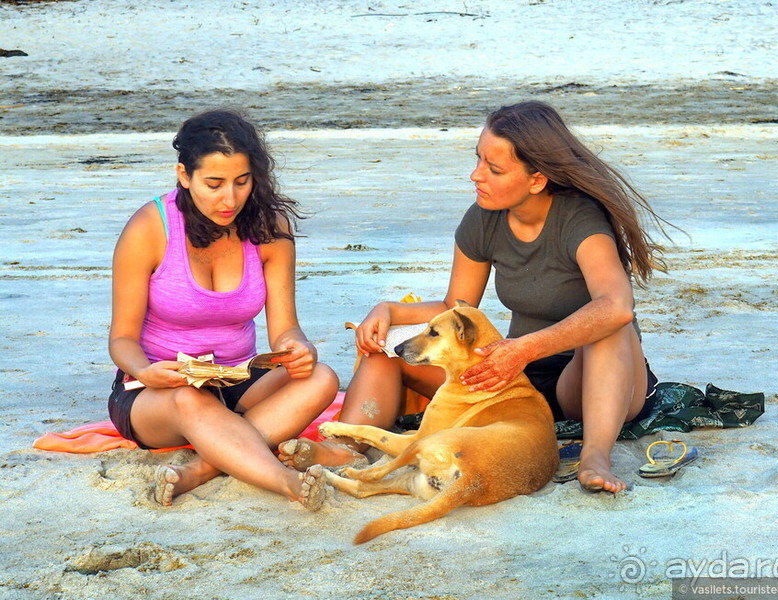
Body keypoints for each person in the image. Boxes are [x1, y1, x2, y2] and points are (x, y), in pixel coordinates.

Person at [279, 100, 668, 493]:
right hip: (518, 383)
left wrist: (526, 348)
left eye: (493, 169)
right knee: (390, 354)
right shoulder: (484, 217)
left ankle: (595, 456)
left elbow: (617, 306)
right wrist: (389, 310)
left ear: (537, 180)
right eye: (478, 160)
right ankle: (343, 446)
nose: (475, 175)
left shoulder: (580, 219)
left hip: (592, 382)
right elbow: (455, 307)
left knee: (608, 327)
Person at [107, 109, 338, 509]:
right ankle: (285, 481)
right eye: (214, 184)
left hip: (237, 381)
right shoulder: (150, 229)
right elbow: (121, 338)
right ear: (185, 176)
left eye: (241, 182)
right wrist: (146, 371)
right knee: (190, 400)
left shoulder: (270, 228)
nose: (229, 199)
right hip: (157, 392)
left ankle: (202, 468)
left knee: (321, 378)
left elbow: (285, 329)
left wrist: (298, 349)